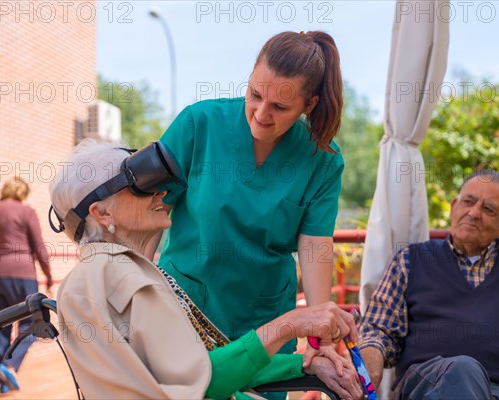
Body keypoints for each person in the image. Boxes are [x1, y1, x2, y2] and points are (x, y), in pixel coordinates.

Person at [48, 140, 363, 400]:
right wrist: (289, 324)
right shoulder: (117, 273)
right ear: (102, 213)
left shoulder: (105, 271)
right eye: (140, 186)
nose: (160, 192)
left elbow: (197, 367)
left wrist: (303, 365)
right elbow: (202, 382)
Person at [153, 31, 345, 364]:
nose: (260, 113)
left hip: (265, 323)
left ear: (308, 105)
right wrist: (131, 297)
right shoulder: (198, 125)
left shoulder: (323, 160)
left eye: (280, 107)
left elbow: (315, 248)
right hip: (180, 309)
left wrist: (320, 338)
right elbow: (149, 211)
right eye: (254, 94)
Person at [358, 169, 499, 400]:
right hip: (425, 386)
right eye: (468, 201)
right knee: (463, 370)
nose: (474, 213)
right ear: (454, 207)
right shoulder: (411, 260)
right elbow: (378, 329)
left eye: (488, 209)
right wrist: (371, 357)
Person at [0, 177, 53, 394]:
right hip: (22, 275)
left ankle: (3, 382)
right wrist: (47, 275)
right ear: (22, 193)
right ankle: (8, 365)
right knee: (31, 324)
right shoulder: (26, 211)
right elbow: (39, 247)